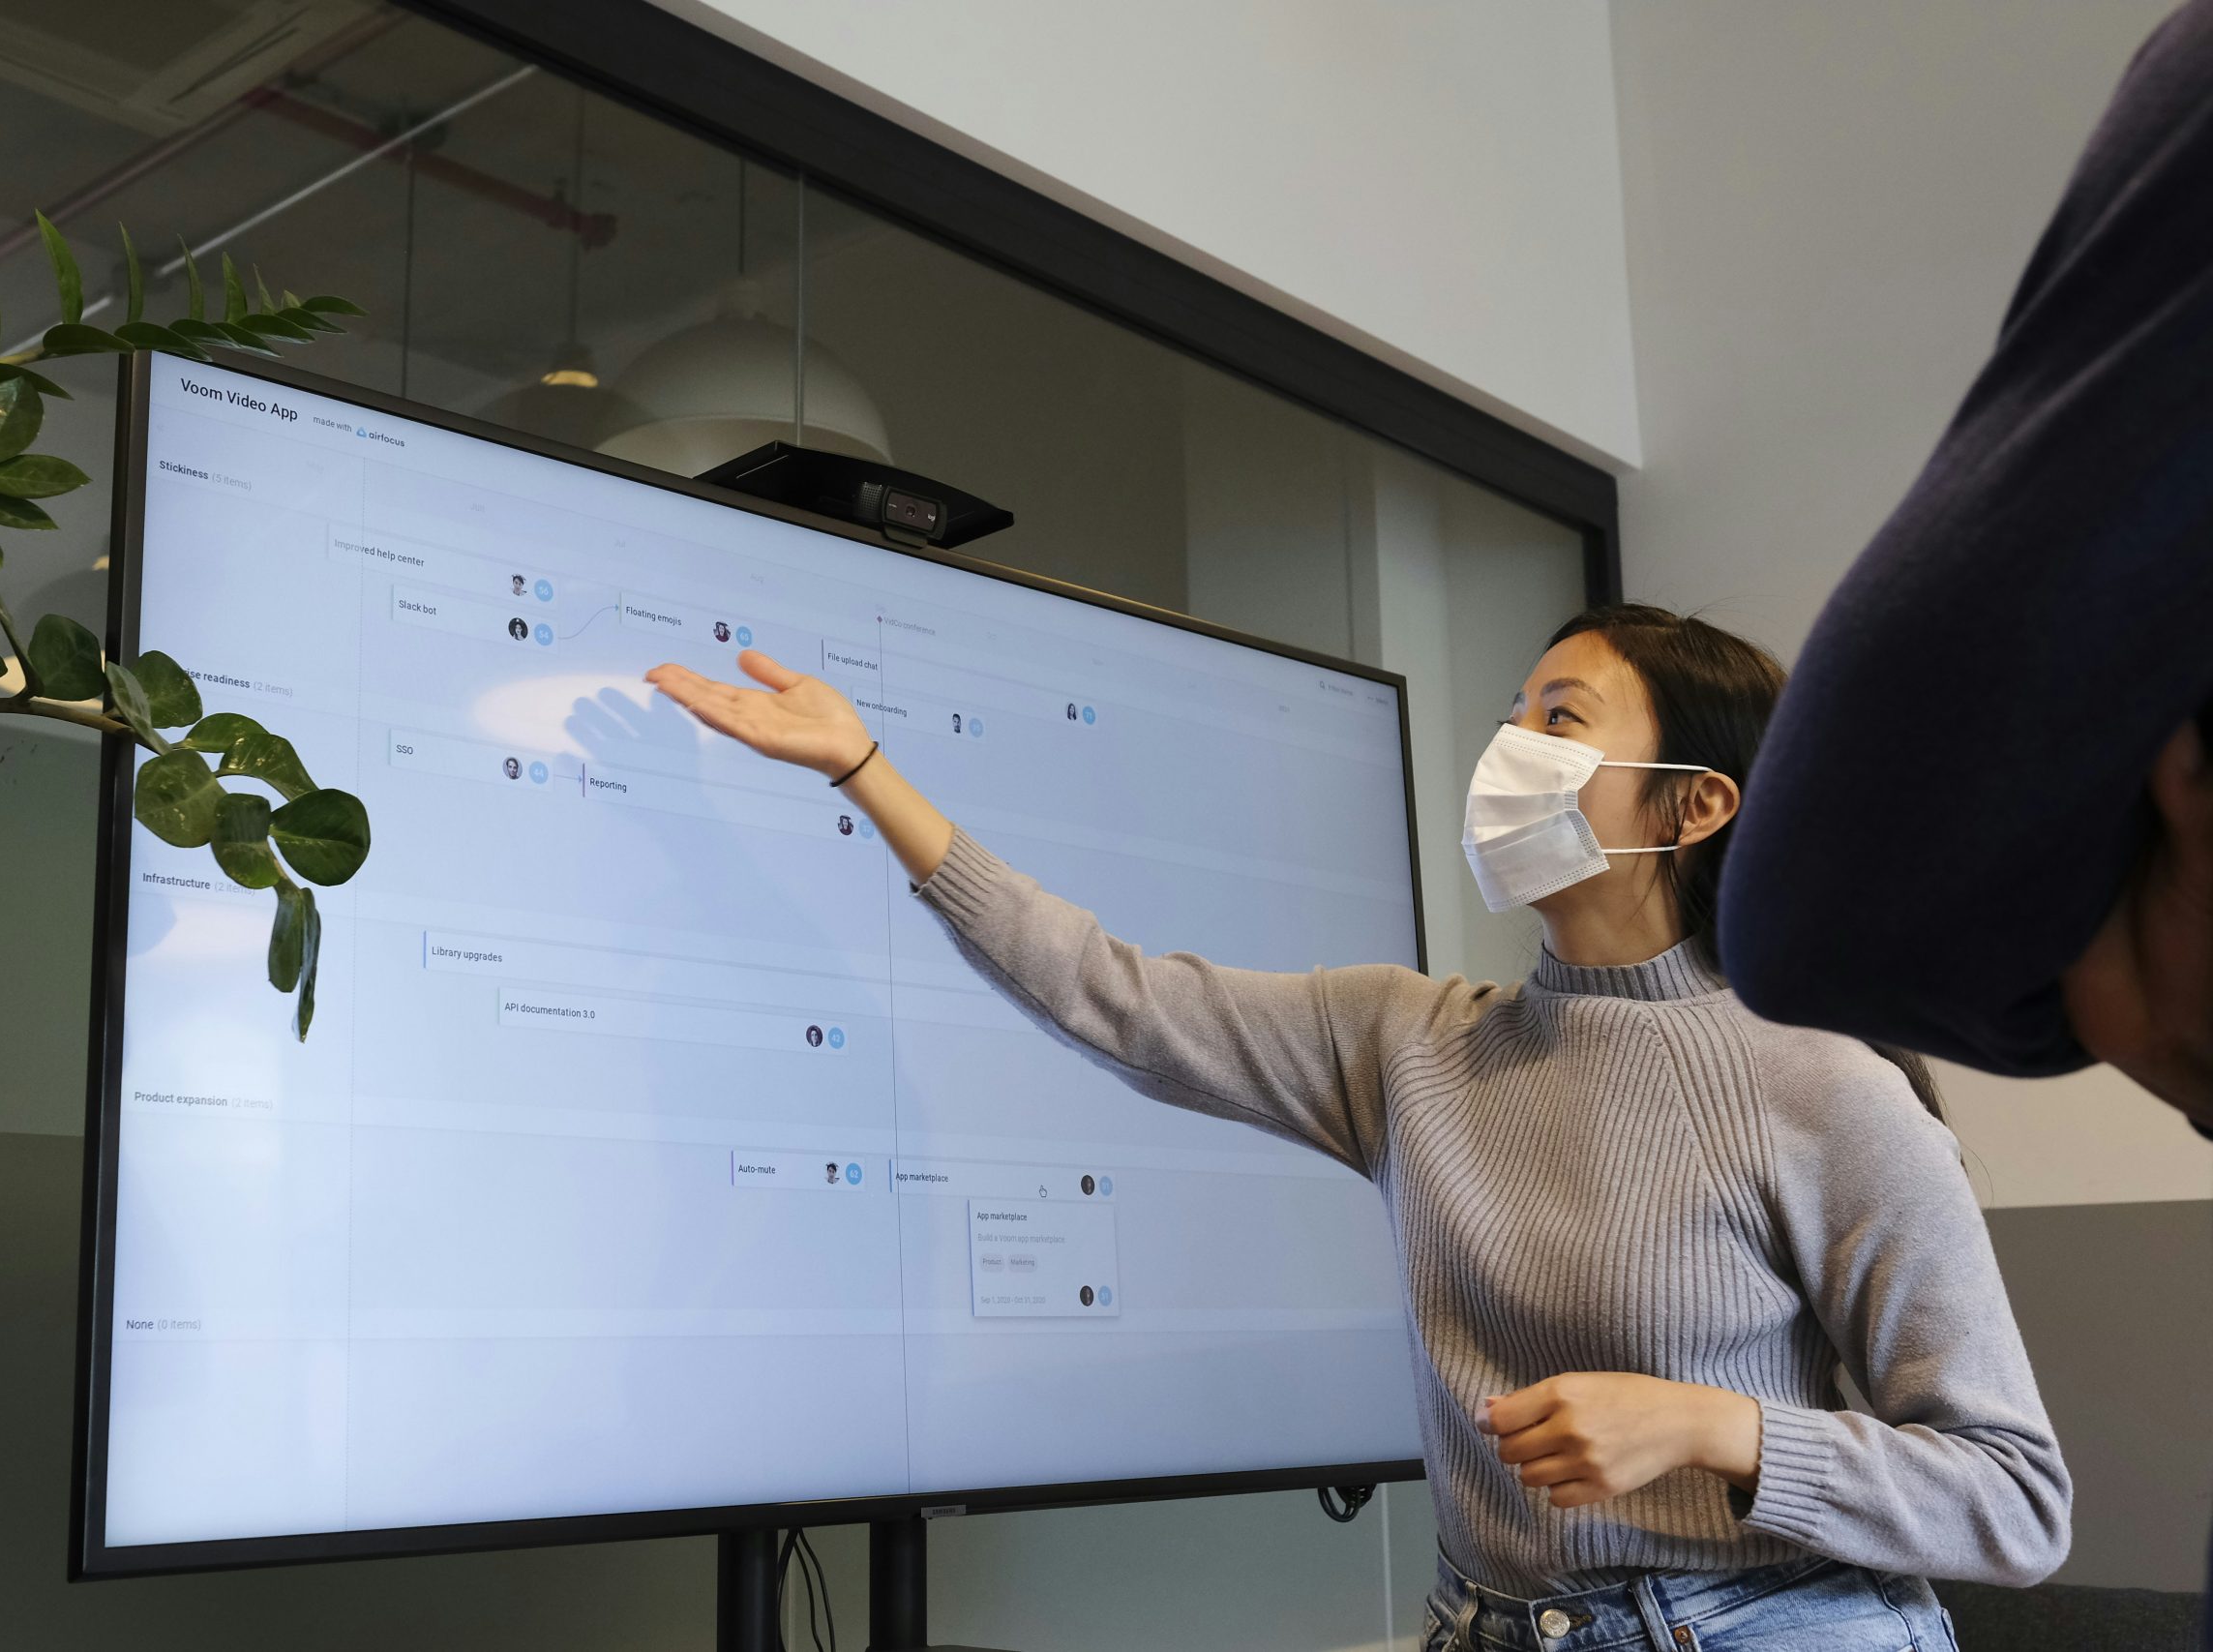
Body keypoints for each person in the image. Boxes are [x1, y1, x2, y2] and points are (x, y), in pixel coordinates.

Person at [651, 609, 2068, 1650]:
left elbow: (2015, 1500)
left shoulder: (1827, 1086)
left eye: (1560, 719)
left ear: (1693, 803)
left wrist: (1718, 1426)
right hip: (1490, 1624)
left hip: (1779, 1627)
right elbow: (1113, 992)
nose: (1508, 749)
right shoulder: (1412, 1041)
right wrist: (865, 769)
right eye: (1515, 711)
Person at [1719, 0, 2213, 1128]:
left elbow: (1814, 916)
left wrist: (2123, 985)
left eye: (1558, 715)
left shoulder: (1829, 1098)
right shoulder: (1435, 1042)